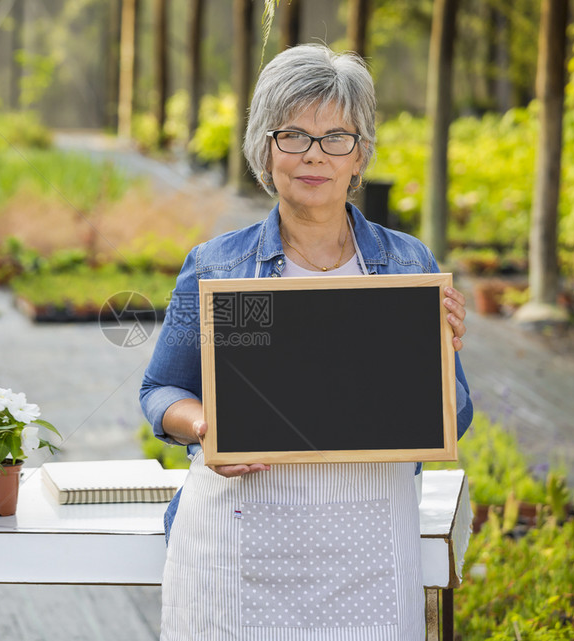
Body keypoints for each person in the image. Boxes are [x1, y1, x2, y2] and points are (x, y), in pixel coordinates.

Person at [140, 44, 473, 641]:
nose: (313, 156)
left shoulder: (406, 265)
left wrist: (442, 354)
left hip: (366, 558)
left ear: (360, 154)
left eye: (336, 137)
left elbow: (457, 416)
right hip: (237, 550)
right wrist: (206, 428)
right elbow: (160, 391)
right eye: (293, 135)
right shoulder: (218, 265)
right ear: (265, 151)